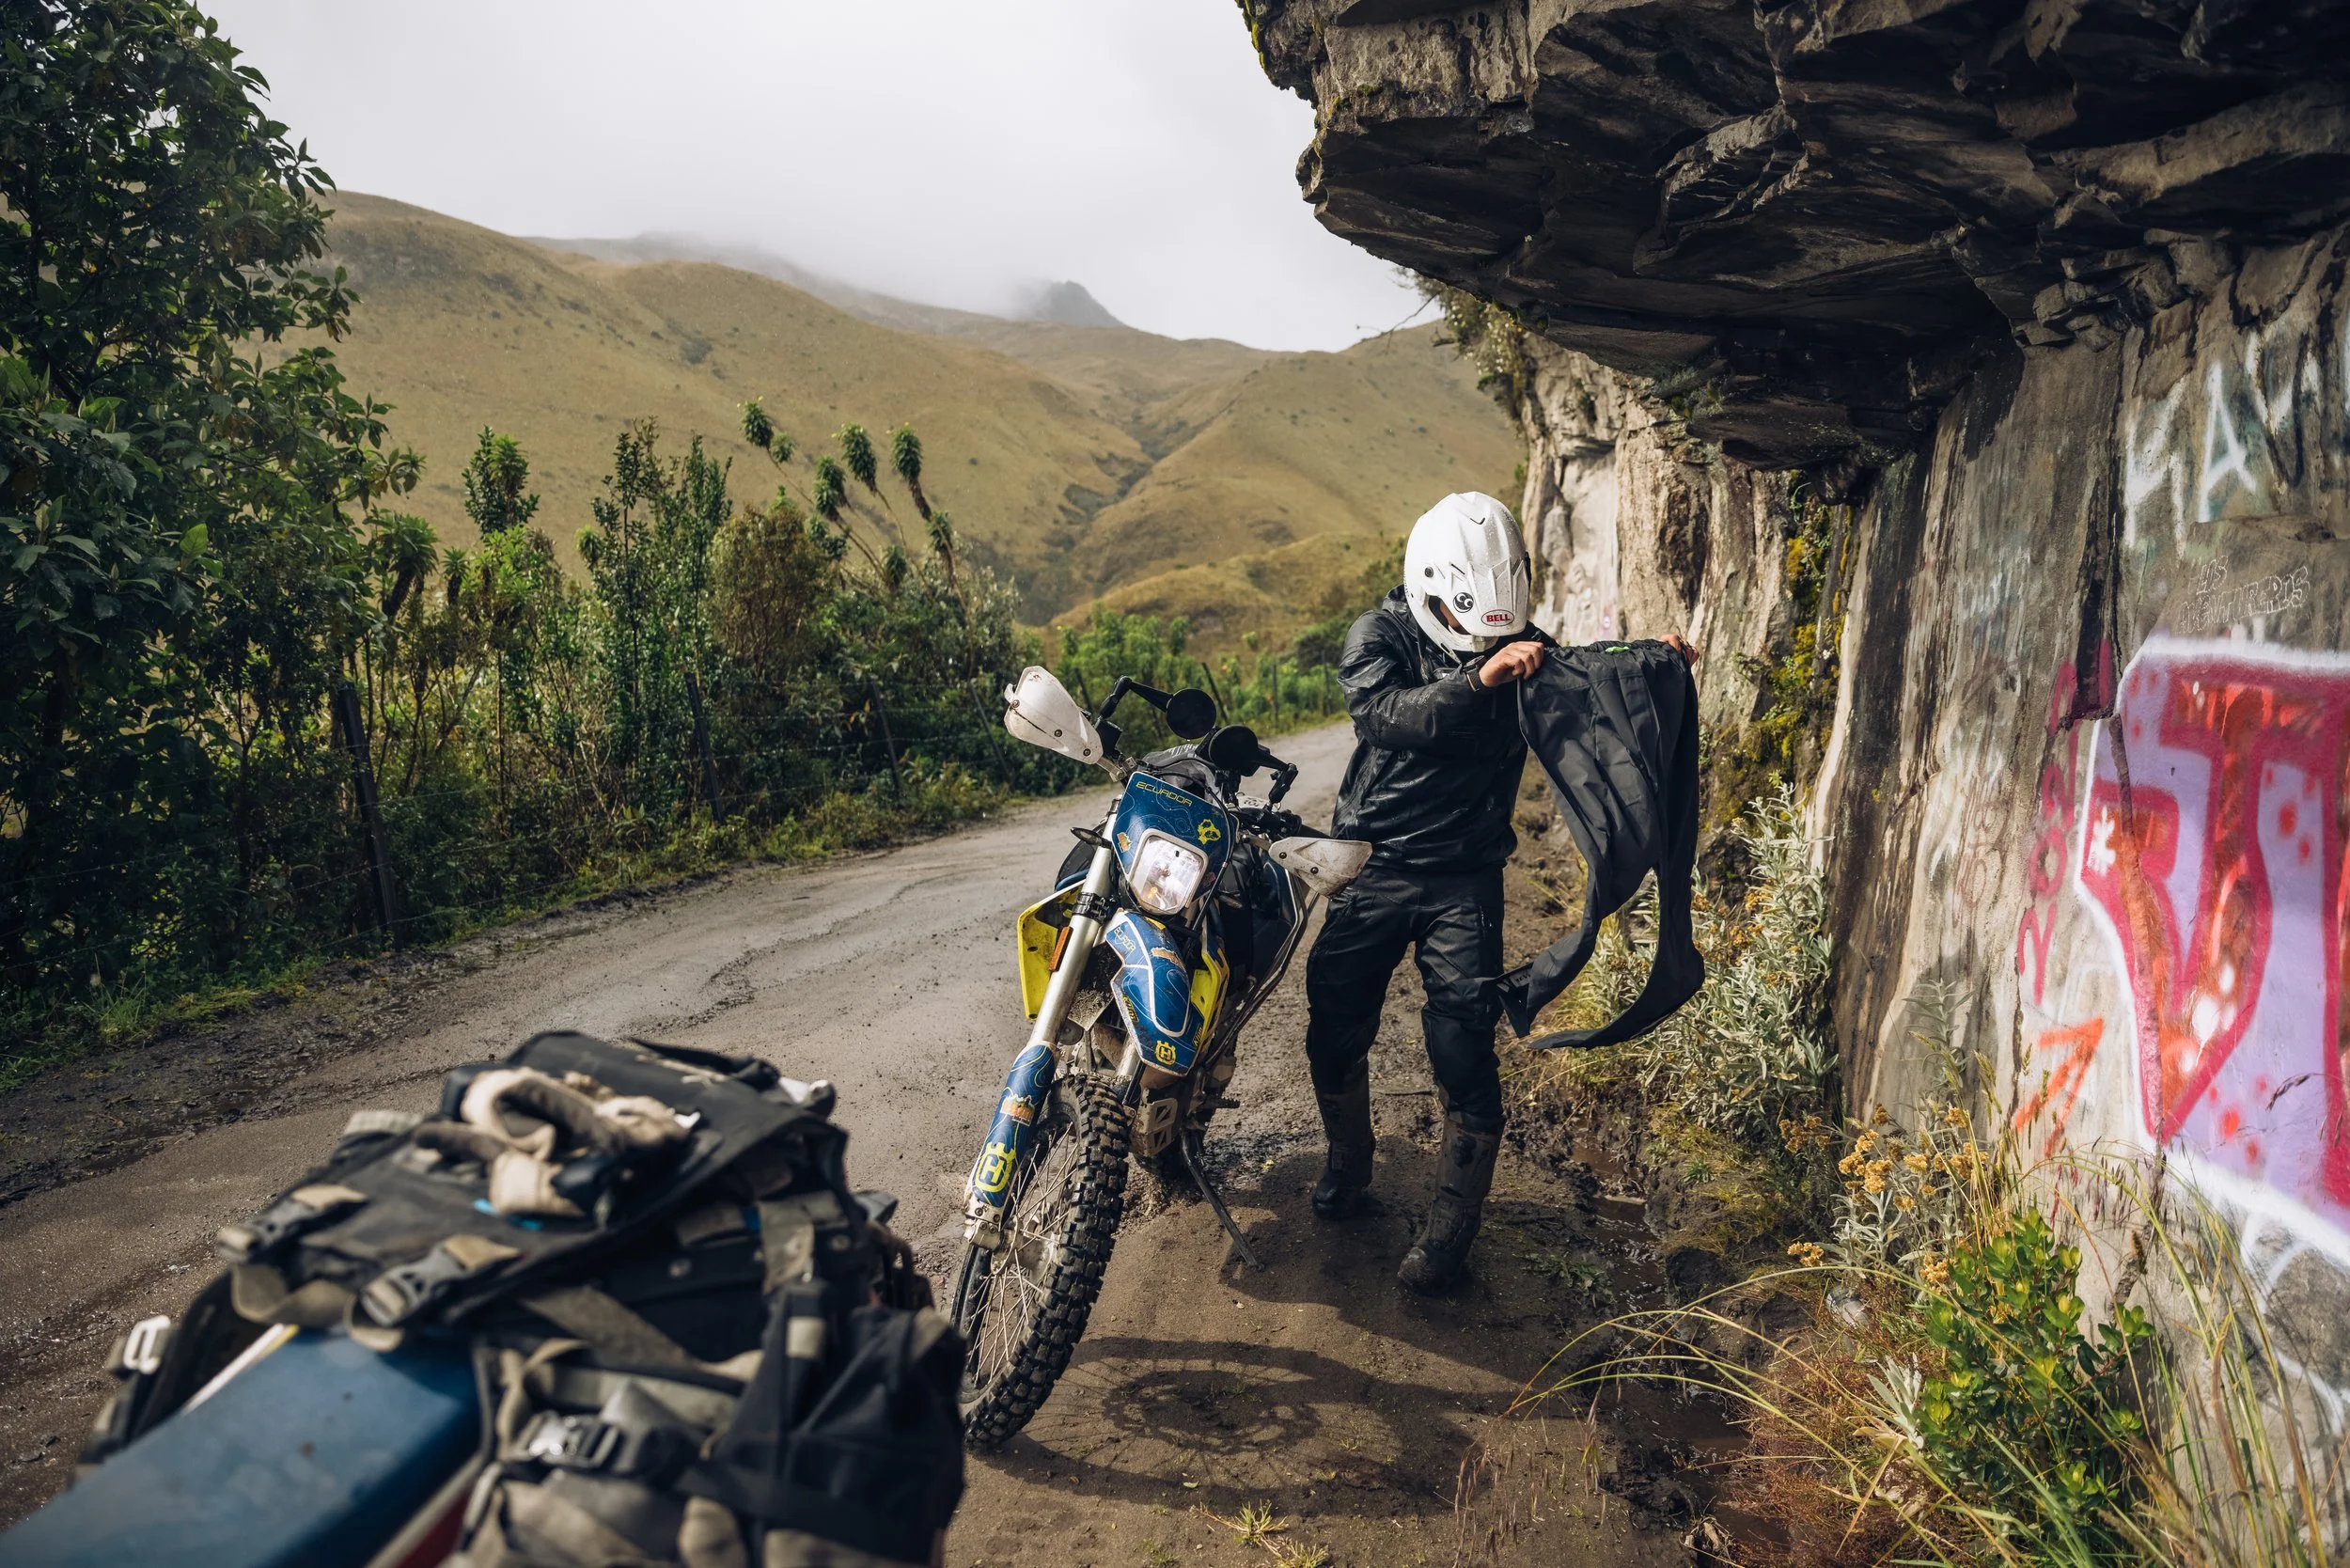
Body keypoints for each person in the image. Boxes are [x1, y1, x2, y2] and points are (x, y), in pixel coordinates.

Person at [1303, 492, 1694, 1292]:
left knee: (1463, 1043)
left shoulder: (1523, 645)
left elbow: (1585, 677)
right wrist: (1480, 681)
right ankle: (1349, 1160)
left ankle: (1452, 1226)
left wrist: (1649, 661)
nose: (1488, 643)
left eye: (1498, 632)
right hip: (1373, 863)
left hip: (1466, 876)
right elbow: (1387, 716)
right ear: (1429, 588)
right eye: (1468, 624)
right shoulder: (1378, 635)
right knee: (1334, 1021)